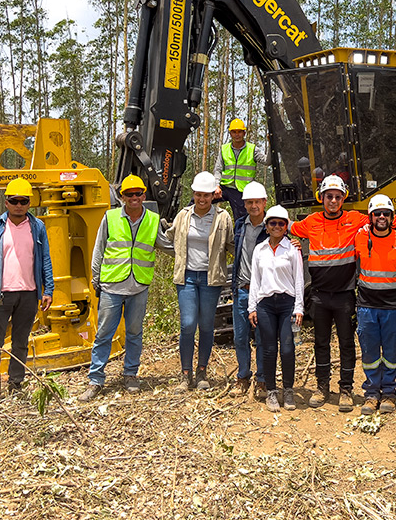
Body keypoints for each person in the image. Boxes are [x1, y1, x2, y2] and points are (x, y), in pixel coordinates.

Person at [78, 175, 173, 401]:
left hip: (138, 285)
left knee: (134, 333)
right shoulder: (110, 218)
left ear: (144, 195)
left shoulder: (152, 219)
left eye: (138, 193)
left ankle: (130, 374)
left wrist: (192, 252)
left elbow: (165, 245)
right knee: (103, 334)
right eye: (129, 194)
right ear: (122, 197)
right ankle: (96, 379)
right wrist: (96, 280)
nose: (134, 198)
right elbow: (98, 250)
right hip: (112, 285)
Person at [289, 174, 367, 412]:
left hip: (344, 295)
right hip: (320, 296)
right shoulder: (310, 222)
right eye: (328, 196)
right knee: (321, 343)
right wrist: (289, 241)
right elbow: (282, 225)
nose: (333, 201)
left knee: (346, 343)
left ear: (343, 198)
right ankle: (322, 387)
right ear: (321, 198)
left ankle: (346, 389)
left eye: (337, 197)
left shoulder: (355, 219)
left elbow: (386, 220)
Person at [0, 178, 53, 399]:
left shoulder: (37, 228)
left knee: (20, 343)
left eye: (23, 201)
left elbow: (45, 259)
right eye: (14, 200)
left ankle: (16, 385)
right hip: (0, 295)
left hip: (29, 294)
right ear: (6, 202)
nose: (19, 205)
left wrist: (48, 290)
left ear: (30, 203)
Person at [164, 171, 235, 391]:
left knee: (206, 326)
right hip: (186, 277)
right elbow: (169, 239)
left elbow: (232, 245)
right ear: (193, 194)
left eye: (206, 195)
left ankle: (202, 372)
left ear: (213, 195)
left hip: (210, 278)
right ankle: (186, 375)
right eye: (198, 195)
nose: (202, 199)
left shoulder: (223, 217)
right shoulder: (184, 216)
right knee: (187, 325)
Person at [354, 195, 396, 415]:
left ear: (392, 217)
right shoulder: (360, 237)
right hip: (367, 304)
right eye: (377, 214)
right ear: (371, 217)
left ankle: (389, 392)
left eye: (386, 213)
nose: (382, 217)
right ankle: (371, 393)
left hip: (393, 304)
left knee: (392, 350)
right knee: (369, 351)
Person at [248, 205, 304, 412]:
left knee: (288, 348)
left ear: (287, 226)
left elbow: (299, 279)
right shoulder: (259, 250)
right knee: (269, 348)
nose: (277, 226)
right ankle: (271, 391)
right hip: (265, 305)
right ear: (267, 226)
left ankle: (288, 390)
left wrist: (299, 308)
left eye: (281, 223)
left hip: (287, 303)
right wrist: (251, 307)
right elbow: (256, 280)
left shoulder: (292, 249)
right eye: (273, 223)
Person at [230, 181, 269, 399]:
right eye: (250, 202)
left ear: (264, 202)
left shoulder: (272, 226)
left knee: (262, 337)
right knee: (240, 337)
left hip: (263, 292)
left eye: (257, 202)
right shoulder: (239, 226)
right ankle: (243, 376)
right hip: (242, 289)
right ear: (244, 204)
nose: (254, 206)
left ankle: (262, 380)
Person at [213, 118, 270, 221]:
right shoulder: (224, 149)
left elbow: (267, 161)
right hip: (224, 187)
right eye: (234, 132)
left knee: (241, 219)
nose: (237, 134)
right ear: (230, 133)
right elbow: (218, 169)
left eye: (239, 131)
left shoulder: (252, 149)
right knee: (200, 199)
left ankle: (239, 236)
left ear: (244, 133)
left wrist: (271, 144)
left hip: (241, 191)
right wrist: (216, 186)